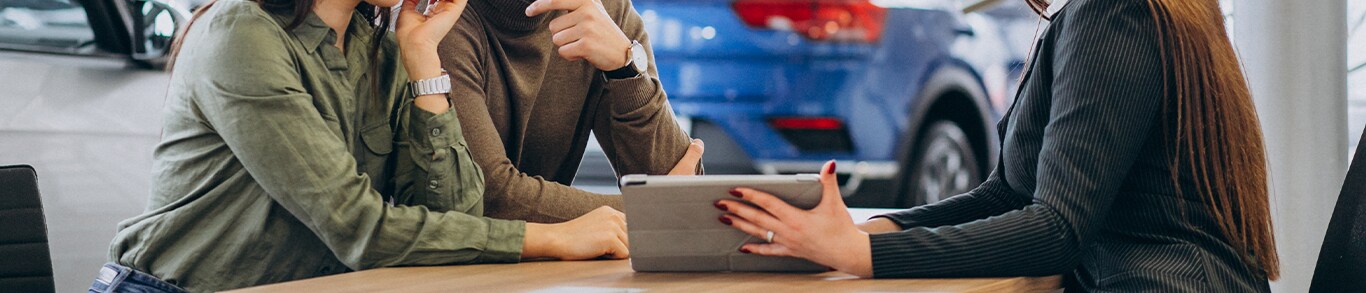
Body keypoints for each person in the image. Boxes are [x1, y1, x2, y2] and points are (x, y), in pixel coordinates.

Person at [714, 0, 1280, 291]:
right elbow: (1008, 194)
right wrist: (867, 232)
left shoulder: (1115, 11)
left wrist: (862, 258)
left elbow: (1058, 228)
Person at [91, 0, 633, 291]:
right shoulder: (241, 31)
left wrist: (423, 57)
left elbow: (453, 208)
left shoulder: (382, 44)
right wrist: (553, 239)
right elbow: (359, 228)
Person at [434, 0, 703, 223]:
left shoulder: (603, 11)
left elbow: (682, 188)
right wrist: (649, 212)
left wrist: (626, 69)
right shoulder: (442, 19)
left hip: (545, 271)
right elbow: (487, 195)